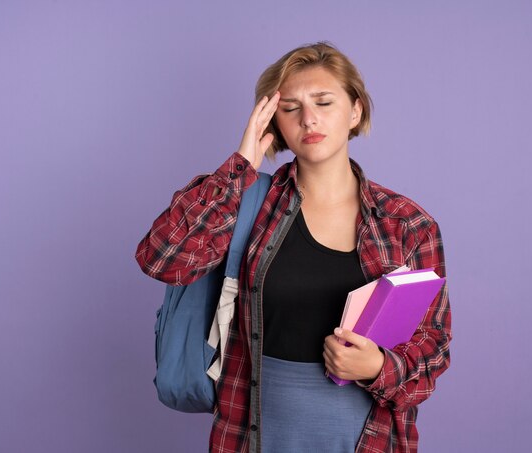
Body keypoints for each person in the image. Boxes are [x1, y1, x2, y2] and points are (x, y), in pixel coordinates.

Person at [135, 42, 451, 453]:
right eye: (290, 108)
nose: (309, 118)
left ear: (355, 111)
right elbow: (163, 258)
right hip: (254, 433)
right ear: (273, 122)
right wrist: (242, 163)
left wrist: (378, 366)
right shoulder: (249, 202)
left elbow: (434, 342)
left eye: (323, 102)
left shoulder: (407, 224)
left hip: (366, 436)